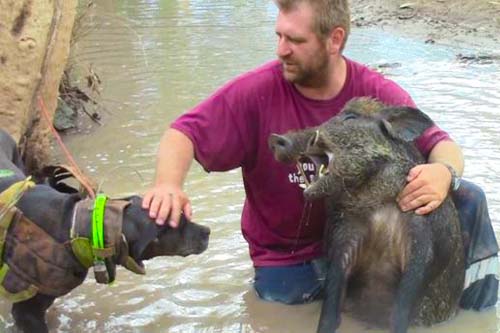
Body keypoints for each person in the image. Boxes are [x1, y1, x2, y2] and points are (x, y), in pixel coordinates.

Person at [143, 0, 498, 308]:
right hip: (290, 257)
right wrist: (168, 185)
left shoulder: (372, 93)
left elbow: (441, 144)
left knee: (467, 197)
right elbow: (183, 134)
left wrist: (443, 174)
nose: (281, 49)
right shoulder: (254, 93)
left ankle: (478, 308)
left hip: (367, 243)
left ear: (335, 40)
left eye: (295, 40)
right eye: (279, 36)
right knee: (280, 309)